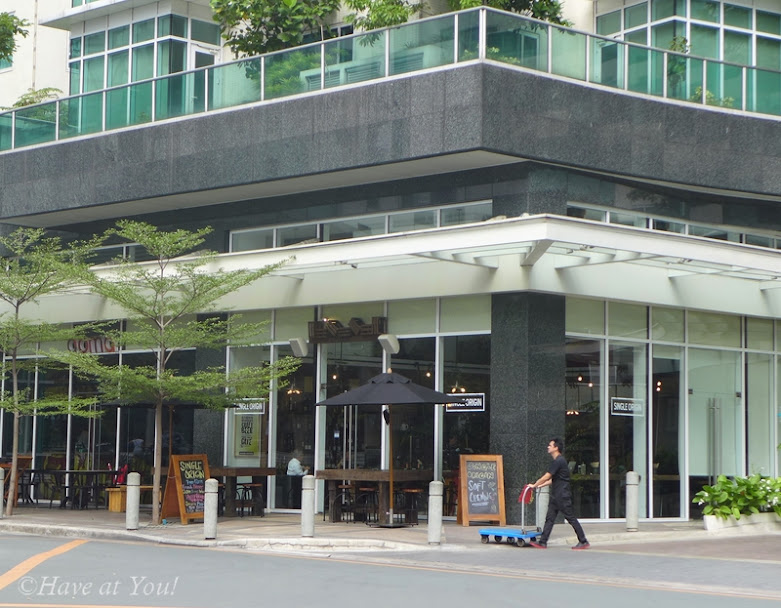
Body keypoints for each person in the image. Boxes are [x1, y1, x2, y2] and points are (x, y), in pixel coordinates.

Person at [527, 437, 590, 550]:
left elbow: (547, 476)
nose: (548, 447)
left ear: (556, 448)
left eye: (550, 445)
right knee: (550, 519)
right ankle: (543, 542)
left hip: (562, 495)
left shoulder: (559, 461)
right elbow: (554, 479)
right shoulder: (558, 461)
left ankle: (583, 541)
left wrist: (534, 485)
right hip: (556, 495)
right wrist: (541, 485)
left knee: (571, 518)